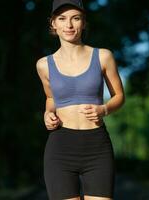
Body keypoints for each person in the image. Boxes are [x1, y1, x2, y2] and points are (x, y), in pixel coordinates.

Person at [36, 0, 125, 199]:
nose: (68, 25)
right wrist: (47, 113)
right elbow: (51, 98)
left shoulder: (103, 56)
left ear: (83, 23)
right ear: (53, 24)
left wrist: (104, 110)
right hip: (60, 147)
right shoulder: (44, 65)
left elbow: (119, 96)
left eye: (75, 18)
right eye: (62, 19)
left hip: (97, 146)